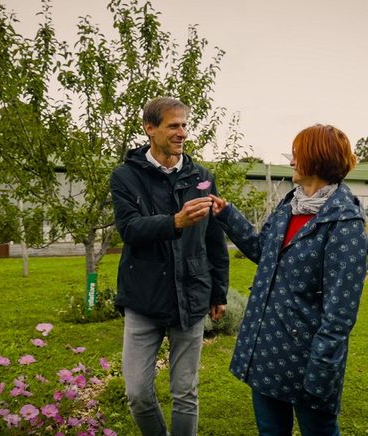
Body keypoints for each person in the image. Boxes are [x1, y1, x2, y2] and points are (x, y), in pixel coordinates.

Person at [210, 124, 368, 435]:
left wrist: (322, 369)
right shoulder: (289, 206)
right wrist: (228, 214)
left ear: (316, 159)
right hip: (268, 347)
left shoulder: (345, 224)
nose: (292, 162)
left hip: (308, 356)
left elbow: (340, 312)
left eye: (297, 155)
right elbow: (263, 252)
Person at [110, 97, 229, 436]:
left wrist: (218, 291)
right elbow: (129, 229)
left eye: (185, 125)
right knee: (137, 394)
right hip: (143, 297)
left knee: (185, 393)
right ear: (150, 128)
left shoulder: (201, 177)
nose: (182, 133)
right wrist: (174, 221)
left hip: (190, 295)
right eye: (173, 125)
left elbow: (214, 239)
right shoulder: (126, 177)